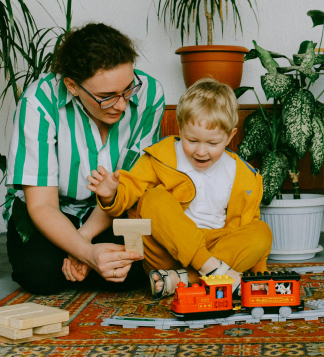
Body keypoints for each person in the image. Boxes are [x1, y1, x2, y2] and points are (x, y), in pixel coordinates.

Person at [4, 23, 165, 295]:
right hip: (51, 212)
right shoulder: (38, 102)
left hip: (114, 210)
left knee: (133, 272)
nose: (123, 104)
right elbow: (42, 205)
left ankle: (83, 263)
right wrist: (88, 253)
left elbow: (131, 185)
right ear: (72, 86)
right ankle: (85, 264)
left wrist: (84, 240)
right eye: (106, 97)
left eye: (127, 89)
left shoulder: (150, 94)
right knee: (40, 275)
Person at [87, 79, 272, 299]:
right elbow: (131, 189)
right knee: (153, 198)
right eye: (192, 140)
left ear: (230, 137)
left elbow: (248, 222)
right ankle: (211, 270)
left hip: (218, 249)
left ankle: (182, 279)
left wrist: (259, 275)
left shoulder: (244, 176)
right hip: (167, 249)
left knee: (262, 232)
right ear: (180, 128)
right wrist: (111, 195)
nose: (201, 151)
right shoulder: (161, 156)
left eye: (212, 144)